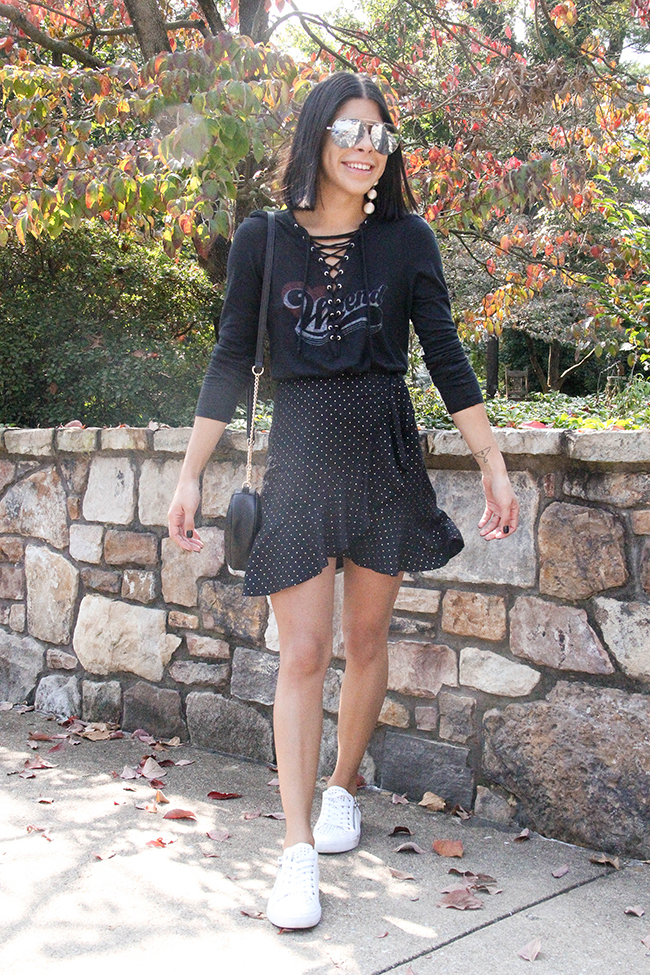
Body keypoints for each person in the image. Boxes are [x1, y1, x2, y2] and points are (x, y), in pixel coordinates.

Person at [167, 71, 519, 931]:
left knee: (364, 641)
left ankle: (341, 786)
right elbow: (228, 359)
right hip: (299, 455)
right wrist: (188, 473)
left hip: (382, 452)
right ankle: (294, 850)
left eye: (379, 136)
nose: (366, 148)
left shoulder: (407, 240)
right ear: (317, 136)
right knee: (300, 652)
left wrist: (493, 461)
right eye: (351, 131)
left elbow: (445, 354)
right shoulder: (264, 238)